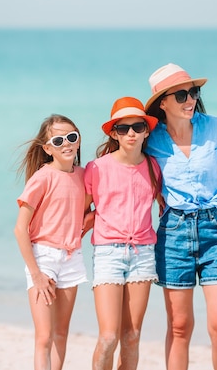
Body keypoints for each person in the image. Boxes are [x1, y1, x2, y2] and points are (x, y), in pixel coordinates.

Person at [144, 63, 217, 370]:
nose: (190, 100)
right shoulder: (151, 140)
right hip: (173, 234)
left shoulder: (216, 127)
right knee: (179, 327)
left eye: (194, 92)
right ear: (163, 102)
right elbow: (125, 174)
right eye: (181, 95)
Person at [83, 97, 161, 370]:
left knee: (132, 336)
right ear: (114, 133)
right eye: (124, 128)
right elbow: (83, 212)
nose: (131, 133)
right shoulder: (97, 168)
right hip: (108, 253)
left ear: (146, 131)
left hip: (143, 254)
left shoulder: (154, 167)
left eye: (137, 127)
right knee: (108, 337)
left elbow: (165, 206)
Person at [14, 114, 89, 370]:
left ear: (78, 140)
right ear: (47, 148)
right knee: (44, 336)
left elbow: (86, 212)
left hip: (72, 258)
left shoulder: (83, 176)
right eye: (58, 140)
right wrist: (36, 274)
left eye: (71, 137)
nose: (66, 143)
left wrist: (85, 226)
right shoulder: (42, 178)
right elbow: (20, 229)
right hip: (43, 258)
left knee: (61, 334)